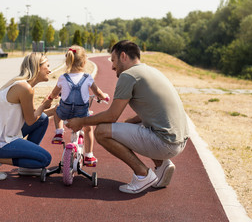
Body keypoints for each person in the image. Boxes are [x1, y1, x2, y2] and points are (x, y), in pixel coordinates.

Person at [66, 40, 189, 193]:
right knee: (127, 126)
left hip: (166, 143)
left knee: (102, 131)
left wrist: (81, 121)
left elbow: (112, 116)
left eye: (113, 60)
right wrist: (130, 121)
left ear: (123, 56)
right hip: (180, 140)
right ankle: (162, 165)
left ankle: (143, 175)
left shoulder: (128, 75)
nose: (112, 66)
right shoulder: (151, 71)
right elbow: (152, 109)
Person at [0, 52, 53, 180]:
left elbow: (35, 116)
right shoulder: (24, 88)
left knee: (43, 119)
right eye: (47, 66)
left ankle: (26, 166)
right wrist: (43, 106)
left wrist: (55, 110)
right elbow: (30, 121)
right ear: (37, 67)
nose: (50, 70)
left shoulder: (23, 85)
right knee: (45, 159)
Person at [48, 45, 108, 167]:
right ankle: (89, 155)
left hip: (65, 112)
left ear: (68, 60)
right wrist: (104, 97)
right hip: (81, 114)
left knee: (56, 112)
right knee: (88, 129)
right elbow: (98, 93)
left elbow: (54, 93)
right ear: (84, 61)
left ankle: (59, 133)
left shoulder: (62, 78)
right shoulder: (88, 78)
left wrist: (52, 97)